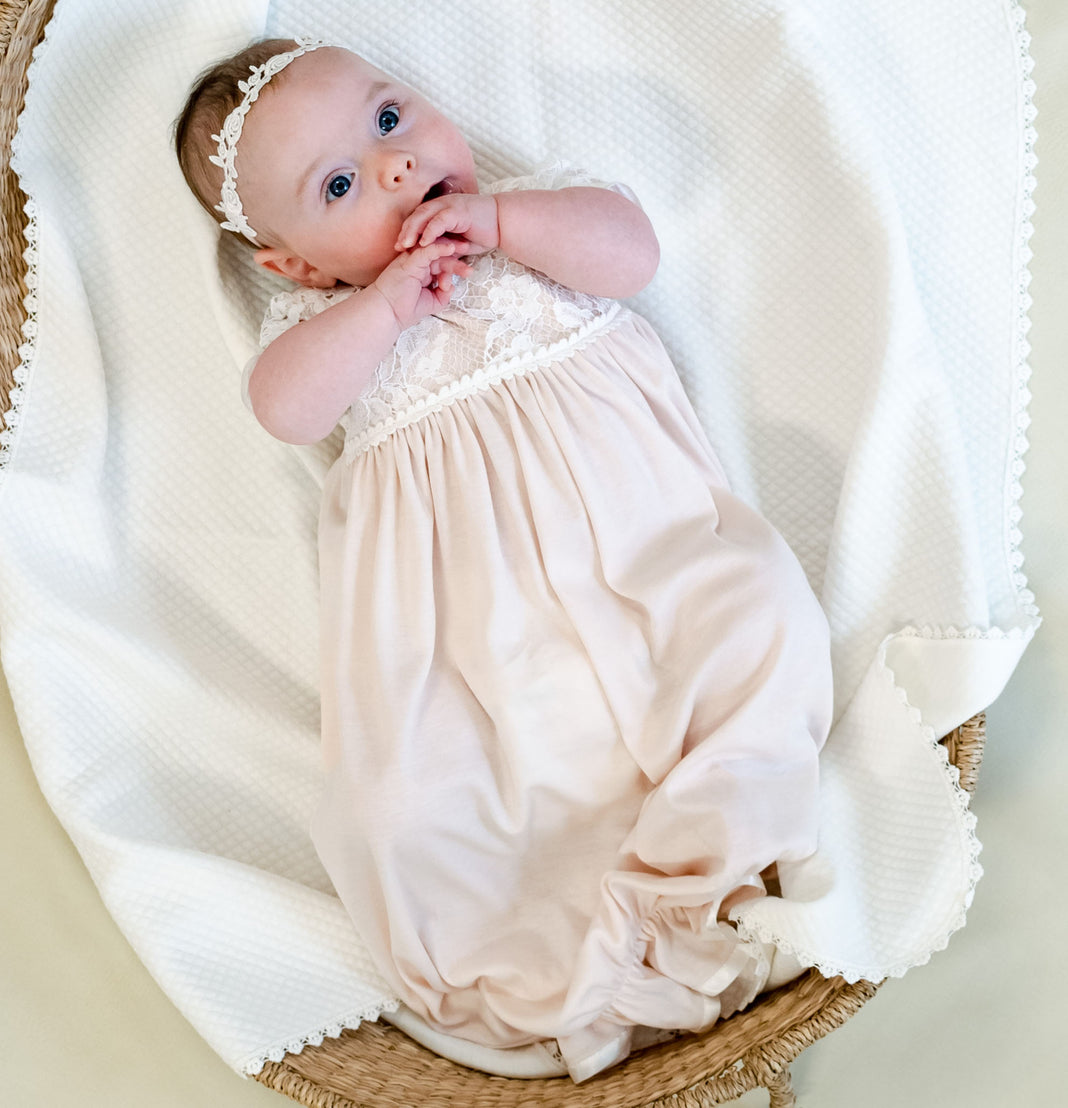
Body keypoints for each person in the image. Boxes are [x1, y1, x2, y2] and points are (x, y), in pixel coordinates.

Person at [175, 37, 833, 1082]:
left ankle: (715, 847)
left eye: (390, 119)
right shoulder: (334, 322)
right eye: (339, 184)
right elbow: (282, 408)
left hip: (643, 550)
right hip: (479, 629)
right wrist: (383, 306)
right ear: (294, 266)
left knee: (755, 614)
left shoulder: (536, 219)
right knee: (433, 790)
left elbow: (632, 255)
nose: (391, 167)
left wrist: (503, 222)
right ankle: (593, 940)